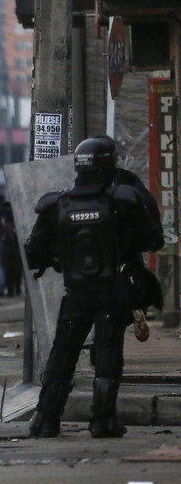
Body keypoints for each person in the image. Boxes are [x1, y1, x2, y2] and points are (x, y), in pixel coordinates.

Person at [24, 137, 164, 439]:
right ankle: (102, 420)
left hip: (75, 292)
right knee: (108, 352)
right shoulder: (124, 201)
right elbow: (153, 239)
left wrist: (60, 253)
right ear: (109, 162)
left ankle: (46, 419)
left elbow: (33, 252)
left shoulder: (57, 205)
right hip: (113, 289)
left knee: (62, 353)